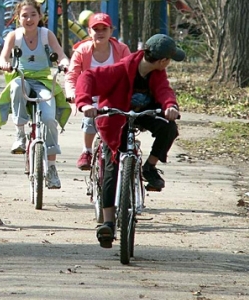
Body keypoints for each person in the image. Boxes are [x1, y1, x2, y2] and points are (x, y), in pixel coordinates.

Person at [75, 33, 184, 248]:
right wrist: (85, 103)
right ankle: (107, 222)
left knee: (169, 128)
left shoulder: (157, 73)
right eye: (170, 60)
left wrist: (170, 106)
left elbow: (164, 91)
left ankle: (150, 168)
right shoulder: (122, 69)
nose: (168, 64)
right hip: (116, 118)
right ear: (163, 61)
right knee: (112, 165)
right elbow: (88, 77)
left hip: (144, 114)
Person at [0, 0, 71, 189]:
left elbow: (61, 54)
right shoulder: (14, 36)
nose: (29, 19)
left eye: (33, 15)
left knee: (49, 119)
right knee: (16, 86)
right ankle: (20, 134)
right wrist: (5, 63)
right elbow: (3, 56)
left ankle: (51, 167)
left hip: (44, 80)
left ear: (40, 16)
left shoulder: (46, 35)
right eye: (24, 15)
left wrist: (65, 63)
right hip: (22, 77)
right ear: (18, 18)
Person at [64, 13, 130, 171]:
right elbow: (71, 75)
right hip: (90, 94)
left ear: (111, 31)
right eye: (96, 29)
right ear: (89, 31)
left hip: (114, 94)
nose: (100, 32)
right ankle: (86, 151)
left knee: (123, 122)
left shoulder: (122, 50)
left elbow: (131, 73)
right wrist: (72, 93)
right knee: (90, 119)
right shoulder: (82, 51)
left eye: (104, 29)